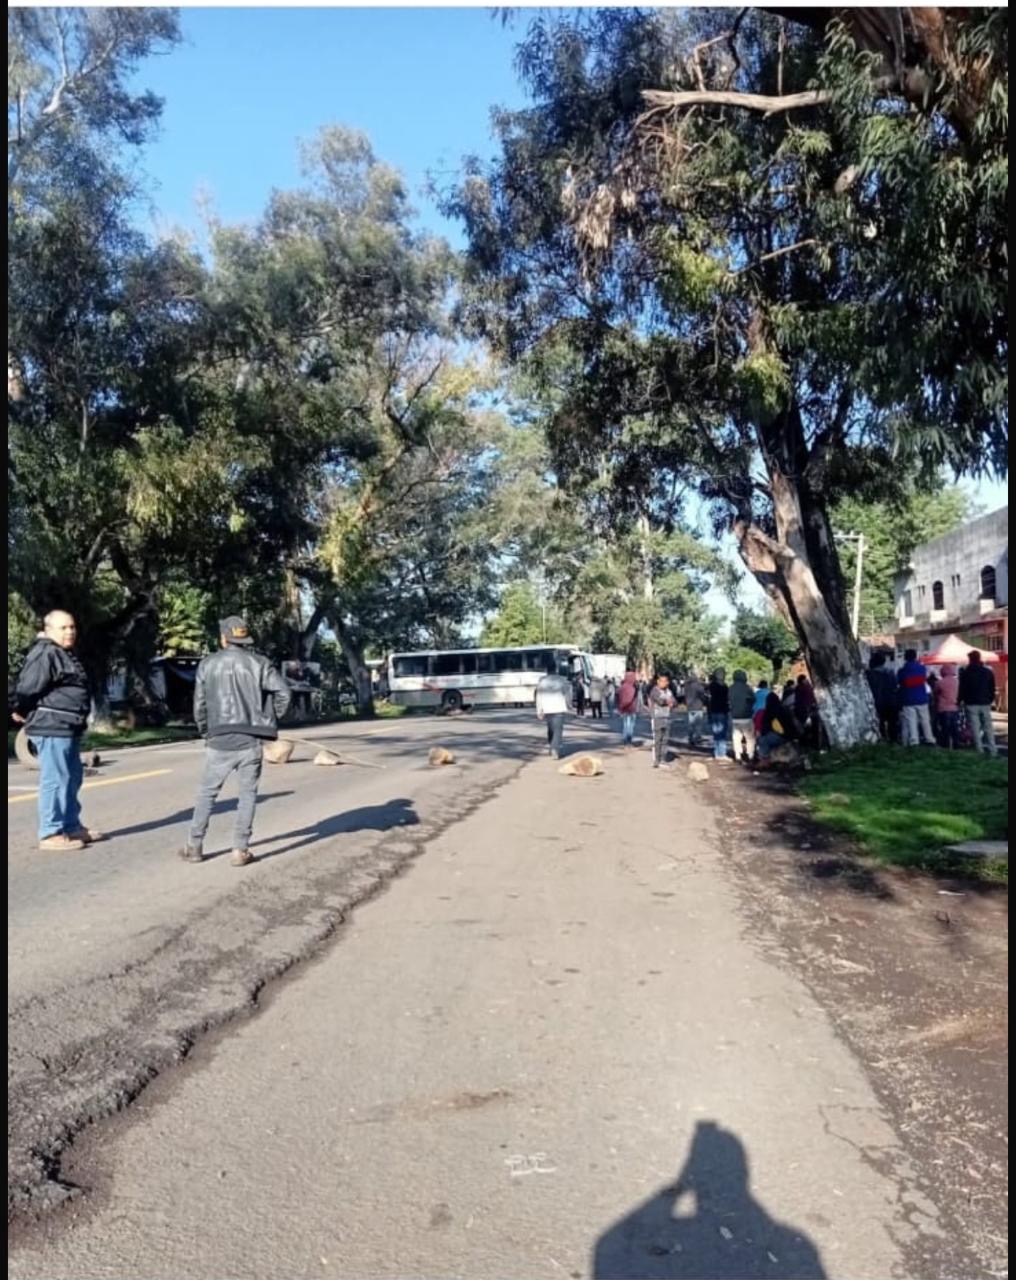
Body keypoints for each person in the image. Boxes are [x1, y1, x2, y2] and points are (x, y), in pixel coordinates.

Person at [180, 616, 292, 867]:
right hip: (250, 739)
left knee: (207, 794)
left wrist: (206, 731)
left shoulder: (208, 664)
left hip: (218, 738)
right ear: (244, 638)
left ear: (223, 638)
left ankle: (194, 846)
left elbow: (199, 704)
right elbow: (284, 692)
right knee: (247, 795)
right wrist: (268, 720)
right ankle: (240, 850)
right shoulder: (259, 663)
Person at [13, 610, 101, 852]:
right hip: (52, 726)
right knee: (55, 779)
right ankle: (50, 832)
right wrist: (19, 709)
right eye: (63, 628)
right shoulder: (45, 653)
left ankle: (72, 826)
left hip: (67, 727)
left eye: (72, 627)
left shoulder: (64, 653)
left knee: (72, 777)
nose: (70, 632)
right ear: (49, 629)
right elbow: (27, 688)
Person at [959, 650, 997, 756]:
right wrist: (990, 699)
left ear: (970, 659)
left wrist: (959, 701)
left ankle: (979, 749)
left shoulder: (965, 673)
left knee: (975, 728)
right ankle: (993, 749)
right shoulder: (988, 672)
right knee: (988, 727)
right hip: (985, 702)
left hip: (971, 703)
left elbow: (962, 689)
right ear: (979, 658)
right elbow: (992, 688)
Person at [898, 648, 935, 746]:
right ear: (915, 656)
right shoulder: (922, 669)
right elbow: (925, 678)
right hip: (922, 698)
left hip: (908, 699)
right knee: (925, 720)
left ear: (905, 657)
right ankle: (929, 739)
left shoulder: (902, 671)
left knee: (911, 721)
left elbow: (901, 683)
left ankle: (914, 741)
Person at [536, 660, 573, 760]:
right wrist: (569, 704)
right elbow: (567, 694)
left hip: (547, 709)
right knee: (557, 730)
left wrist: (539, 710)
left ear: (546, 670)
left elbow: (538, 696)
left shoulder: (542, 682)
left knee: (551, 729)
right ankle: (555, 749)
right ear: (556, 669)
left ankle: (552, 746)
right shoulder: (561, 680)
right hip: (559, 708)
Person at [866, 653, 899, 743]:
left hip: (878, 701)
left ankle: (882, 739)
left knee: (880, 722)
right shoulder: (890, 672)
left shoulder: (869, 674)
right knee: (892, 723)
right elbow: (895, 685)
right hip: (891, 701)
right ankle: (893, 740)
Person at [755, 691, 793, 769]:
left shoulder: (770, 711)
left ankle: (764, 760)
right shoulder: (784, 709)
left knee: (763, 740)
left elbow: (765, 727)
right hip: (788, 735)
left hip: (780, 736)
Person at [647, 673, 677, 769]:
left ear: (668, 682)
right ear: (658, 682)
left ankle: (663, 759)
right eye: (661, 681)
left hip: (667, 717)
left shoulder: (669, 692)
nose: (663, 683)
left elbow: (675, 701)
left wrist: (672, 702)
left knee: (665, 739)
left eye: (665, 681)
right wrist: (668, 702)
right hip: (657, 717)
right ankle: (657, 760)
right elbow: (660, 701)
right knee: (657, 739)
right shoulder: (655, 691)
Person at [729, 668, 756, 763]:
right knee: (750, 737)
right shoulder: (747, 688)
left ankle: (738, 755)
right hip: (746, 716)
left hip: (735, 717)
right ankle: (750, 755)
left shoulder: (731, 688)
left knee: (736, 737)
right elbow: (753, 699)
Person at [933, 663, 961, 749]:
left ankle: (945, 745)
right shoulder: (957, 682)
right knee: (954, 728)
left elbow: (935, 693)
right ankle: (956, 744)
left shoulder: (939, 682)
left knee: (945, 728)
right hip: (954, 707)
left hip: (943, 708)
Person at [707, 667, 731, 761]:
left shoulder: (711, 685)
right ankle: (722, 753)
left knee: (716, 733)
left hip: (714, 710)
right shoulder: (724, 686)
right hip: (722, 710)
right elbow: (727, 698)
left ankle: (717, 753)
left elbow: (709, 698)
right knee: (722, 733)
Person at [616, 670, 640, 749]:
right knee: (630, 727)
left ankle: (625, 742)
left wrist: (620, 708)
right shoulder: (632, 687)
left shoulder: (622, 687)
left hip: (624, 710)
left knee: (625, 726)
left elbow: (618, 698)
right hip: (631, 709)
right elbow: (629, 699)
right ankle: (628, 742)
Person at [794, 674, 819, 749]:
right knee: (813, 727)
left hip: (802, 712)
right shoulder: (805, 687)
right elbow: (810, 699)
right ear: (803, 680)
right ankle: (814, 744)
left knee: (806, 728)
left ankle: (806, 744)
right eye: (805, 679)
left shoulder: (798, 688)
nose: (806, 680)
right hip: (808, 711)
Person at [684, 672, 708, 749]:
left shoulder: (686, 686)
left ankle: (690, 738)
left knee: (691, 723)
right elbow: (703, 694)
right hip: (697, 706)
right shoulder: (698, 686)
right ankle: (697, 737)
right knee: (698, 724)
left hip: (690, 706)